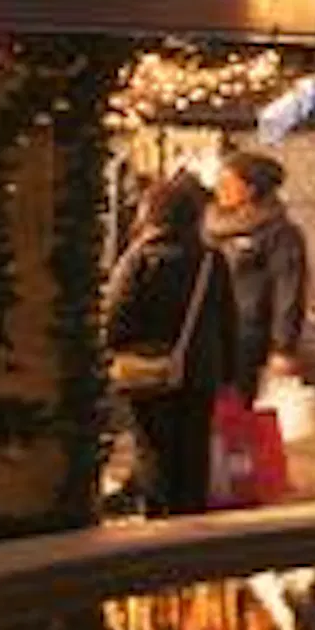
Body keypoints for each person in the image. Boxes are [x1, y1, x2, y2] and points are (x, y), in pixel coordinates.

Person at [102, 176, 235, 514]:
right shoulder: (211, 260)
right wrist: (229, 373)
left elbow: (116, 316)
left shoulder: (139, 260)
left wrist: (118, 346)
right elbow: (227, 320)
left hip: (147, 374)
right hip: (199, 372)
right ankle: (192, 520)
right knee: (194, 452)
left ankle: (161, 522)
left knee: (154, 450)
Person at [203, 151, 310, 404]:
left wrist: (283, 347)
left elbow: (288, 289)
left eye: (228, 182)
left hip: (246, 335)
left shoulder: (280, 232)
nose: (219, 188)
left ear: (250, 189)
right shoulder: (210, 224)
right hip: (206, 331)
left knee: (236, 407)